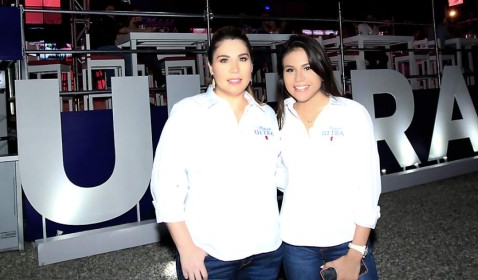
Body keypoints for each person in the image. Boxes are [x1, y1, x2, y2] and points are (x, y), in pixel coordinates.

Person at [151, 26, 283, 280]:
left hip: (266, 251)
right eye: (224, 60)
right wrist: (186, 249)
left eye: (242, 59)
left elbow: (281, 174)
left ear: (251, 64)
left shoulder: (266, 114)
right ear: (211, 67)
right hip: (209, 255)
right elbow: (165, 185)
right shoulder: (189, 112)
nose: (235, 69)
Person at [275, 35, 381, 280]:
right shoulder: (279, 120)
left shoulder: (351, 113)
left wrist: (356, 252)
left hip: (348, 240)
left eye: (307, 68)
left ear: (322, 69)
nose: (298, 78)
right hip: (295, 245)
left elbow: (368, 185)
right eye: (290, 69)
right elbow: (280, 178)